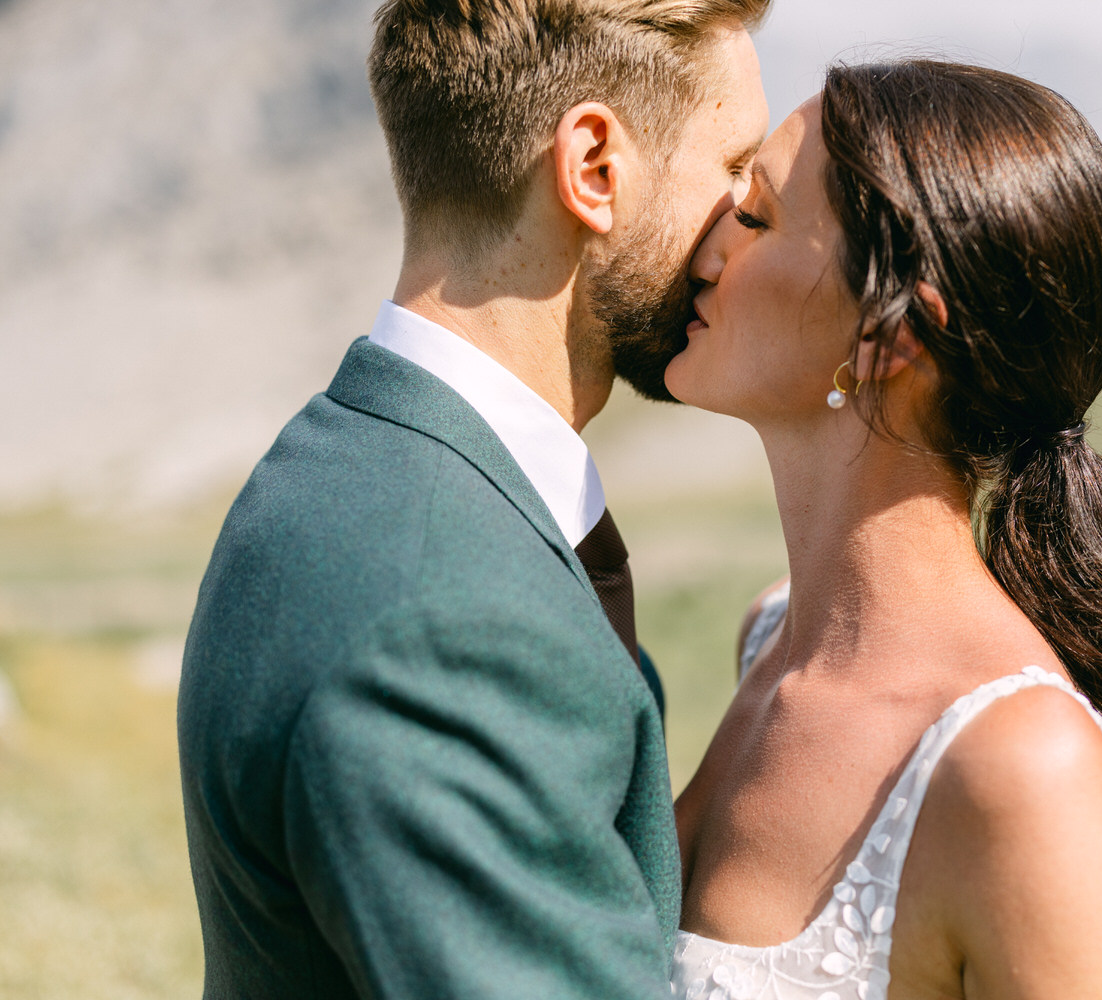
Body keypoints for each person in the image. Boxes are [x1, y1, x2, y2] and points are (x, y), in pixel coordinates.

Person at [176, 1, 770, 997]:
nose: (748, 219)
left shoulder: (350, 463)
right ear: (594, 168)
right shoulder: (441, 626)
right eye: (733, 166)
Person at [667, 61, 1102, 1000]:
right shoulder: (770, 641)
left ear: (891, 337)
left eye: (756, 218)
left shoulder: (1028, 777)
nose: (704, 249)